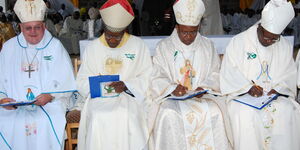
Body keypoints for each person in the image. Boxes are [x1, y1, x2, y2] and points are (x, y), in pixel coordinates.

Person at [149, 0, 233, 149]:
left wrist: (204, 87)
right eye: (184, 32)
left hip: (203, 98)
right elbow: (157, 75)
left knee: (216, 113)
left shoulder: (207, 46)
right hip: (172, 99)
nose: (189, 36)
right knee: (168, 114)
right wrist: (171, 88)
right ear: (177, 27)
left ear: (198, 28)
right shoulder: (164, 46)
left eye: (193, 32)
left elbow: (216, 73)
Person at [220, 0, 300, 149]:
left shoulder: (283, 45)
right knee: (245, 115)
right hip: (243, 98)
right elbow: (229, 72)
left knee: (288, 110)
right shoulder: (239, 42)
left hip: (273, 97)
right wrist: (247, 88)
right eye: (266, 36)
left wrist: (279, 89)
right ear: (260, 27)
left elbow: (289, 75)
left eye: (273, 39)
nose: (269, 41)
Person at [0, 0, 76, 149]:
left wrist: (50, 95)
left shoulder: (55, 47)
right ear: (20, 27)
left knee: (45, 122)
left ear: (45, 26)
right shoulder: (9, 48)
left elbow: (65, 81)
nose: (33, 32)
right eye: (28, 28)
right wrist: (3, 99)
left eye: (37, 28)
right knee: (6, 121)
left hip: (48, 106)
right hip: (13, 108)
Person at [76, 0, 152, 149]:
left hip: (129, 98)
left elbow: (148, 76)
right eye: (109, 35)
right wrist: (97, 84)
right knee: (98, 117)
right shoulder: (93, 48)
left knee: (126, 115)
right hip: (98, 99)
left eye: (117, 36)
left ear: (125, 31)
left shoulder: (138, 46)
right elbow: (82, 80)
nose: (112, 40)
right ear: (104, 29)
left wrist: (126, 85)